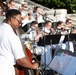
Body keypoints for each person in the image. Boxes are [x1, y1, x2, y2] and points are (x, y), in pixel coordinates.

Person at [0, 9, 38, 75]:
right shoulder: (12, 36)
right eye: (19, 22)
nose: (20, 24)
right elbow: (21, 61)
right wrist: (33, 66)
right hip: (5, 69)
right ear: (12, 19)